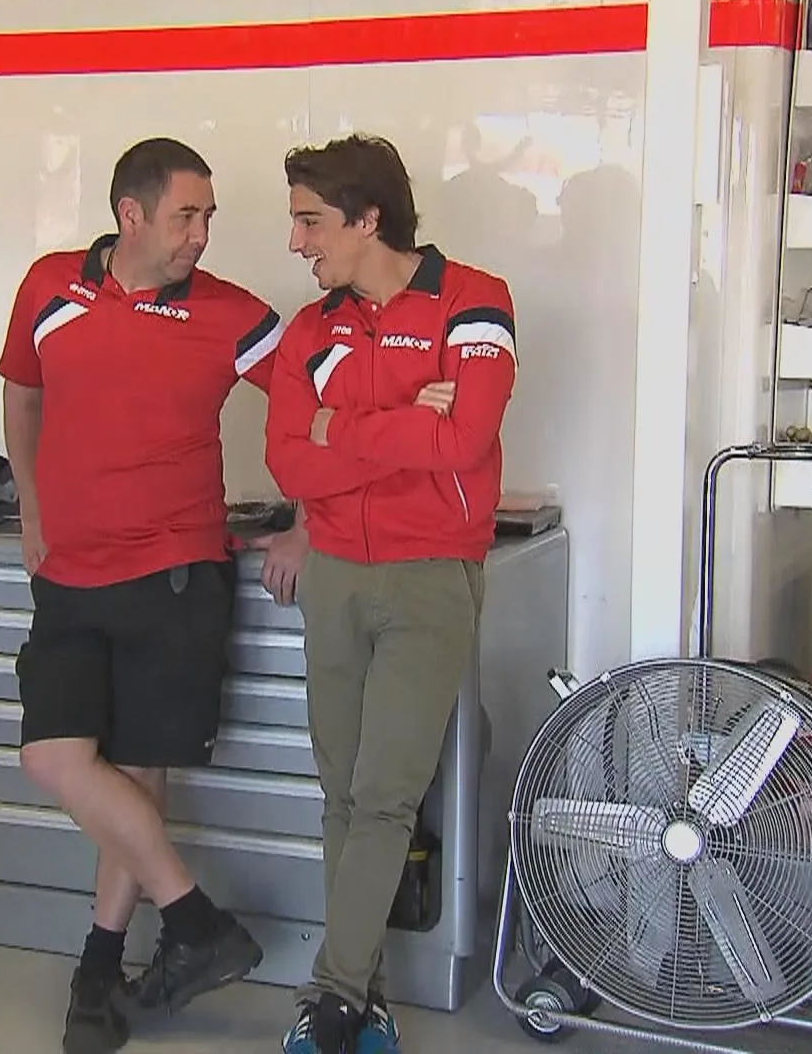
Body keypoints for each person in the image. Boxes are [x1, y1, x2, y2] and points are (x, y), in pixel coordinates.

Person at [0, 136, 310, 1054]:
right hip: (69, 574)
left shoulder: (232, 314)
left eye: (208, 216)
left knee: (134, 778)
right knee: (55, 758)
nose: (202, 234)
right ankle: (195, 923)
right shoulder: (50, 286)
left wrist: (312, 521)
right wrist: (31, 506)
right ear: (130, 214)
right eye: (187, 215)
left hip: (173, 576)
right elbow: (22, 393)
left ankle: (98, 972)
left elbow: (318, 401)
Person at [263, 134, 518, 1054]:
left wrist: (341, 429)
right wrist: (403, 425)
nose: (297, 242)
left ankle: (331, 1003)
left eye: (311, 221)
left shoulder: (473, 301)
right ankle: (366, 1006)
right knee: (341, 795)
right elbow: (286, 459)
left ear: (368, 219)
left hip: (429, 579)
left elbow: (464, 441)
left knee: (381, 797)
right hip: (333, 575)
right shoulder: (310, 330)